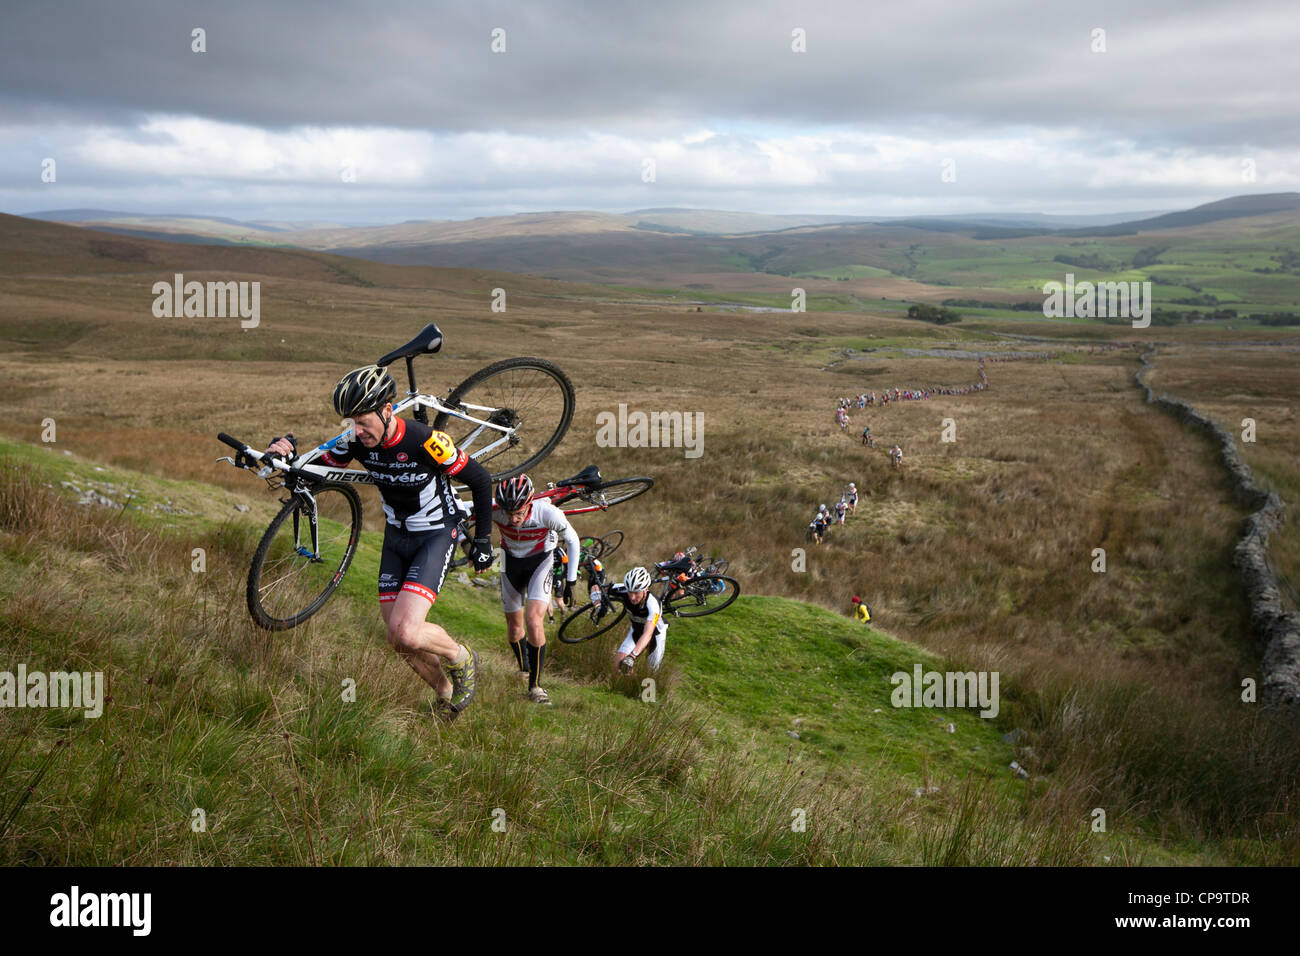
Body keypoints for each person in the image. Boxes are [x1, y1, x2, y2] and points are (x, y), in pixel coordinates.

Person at [265, 365, 493, 721]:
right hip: (396, 537)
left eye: (362, 420)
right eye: (350, 422)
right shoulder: (354, 441)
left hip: (435, 533)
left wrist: (483, 540)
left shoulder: (425, 440)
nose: (356, 430)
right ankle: (446, 694)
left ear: (388, 409)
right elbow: (313, 465)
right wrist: (286, 449)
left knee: (406, 630)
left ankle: (461, 657)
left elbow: (480, 479)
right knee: (396, 639)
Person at [493, 473, 580, 705]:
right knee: (513, 628)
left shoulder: (547, 512)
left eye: (519, 512)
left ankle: (536, 686)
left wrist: (570, 582)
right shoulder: (494, 509)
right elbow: (456, 511)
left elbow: (572, 540)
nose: (513, 519)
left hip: (540, 562)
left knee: (533, 620)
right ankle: (524, 669)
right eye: (508, 513)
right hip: (509, 562)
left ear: (530, 503)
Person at [611, 567, 668, 672]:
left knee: (650, 673)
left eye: (636, 593)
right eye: (630, 592)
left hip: (655, 635)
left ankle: (639, 686)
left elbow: (648, 633)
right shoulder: (622, 589)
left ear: (646, 589)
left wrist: (633, 655)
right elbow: (597, 588)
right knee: (619, 666)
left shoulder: (654, 605)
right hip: (636, 631)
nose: (632, 597)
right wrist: (598, 604)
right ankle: (627, 686)